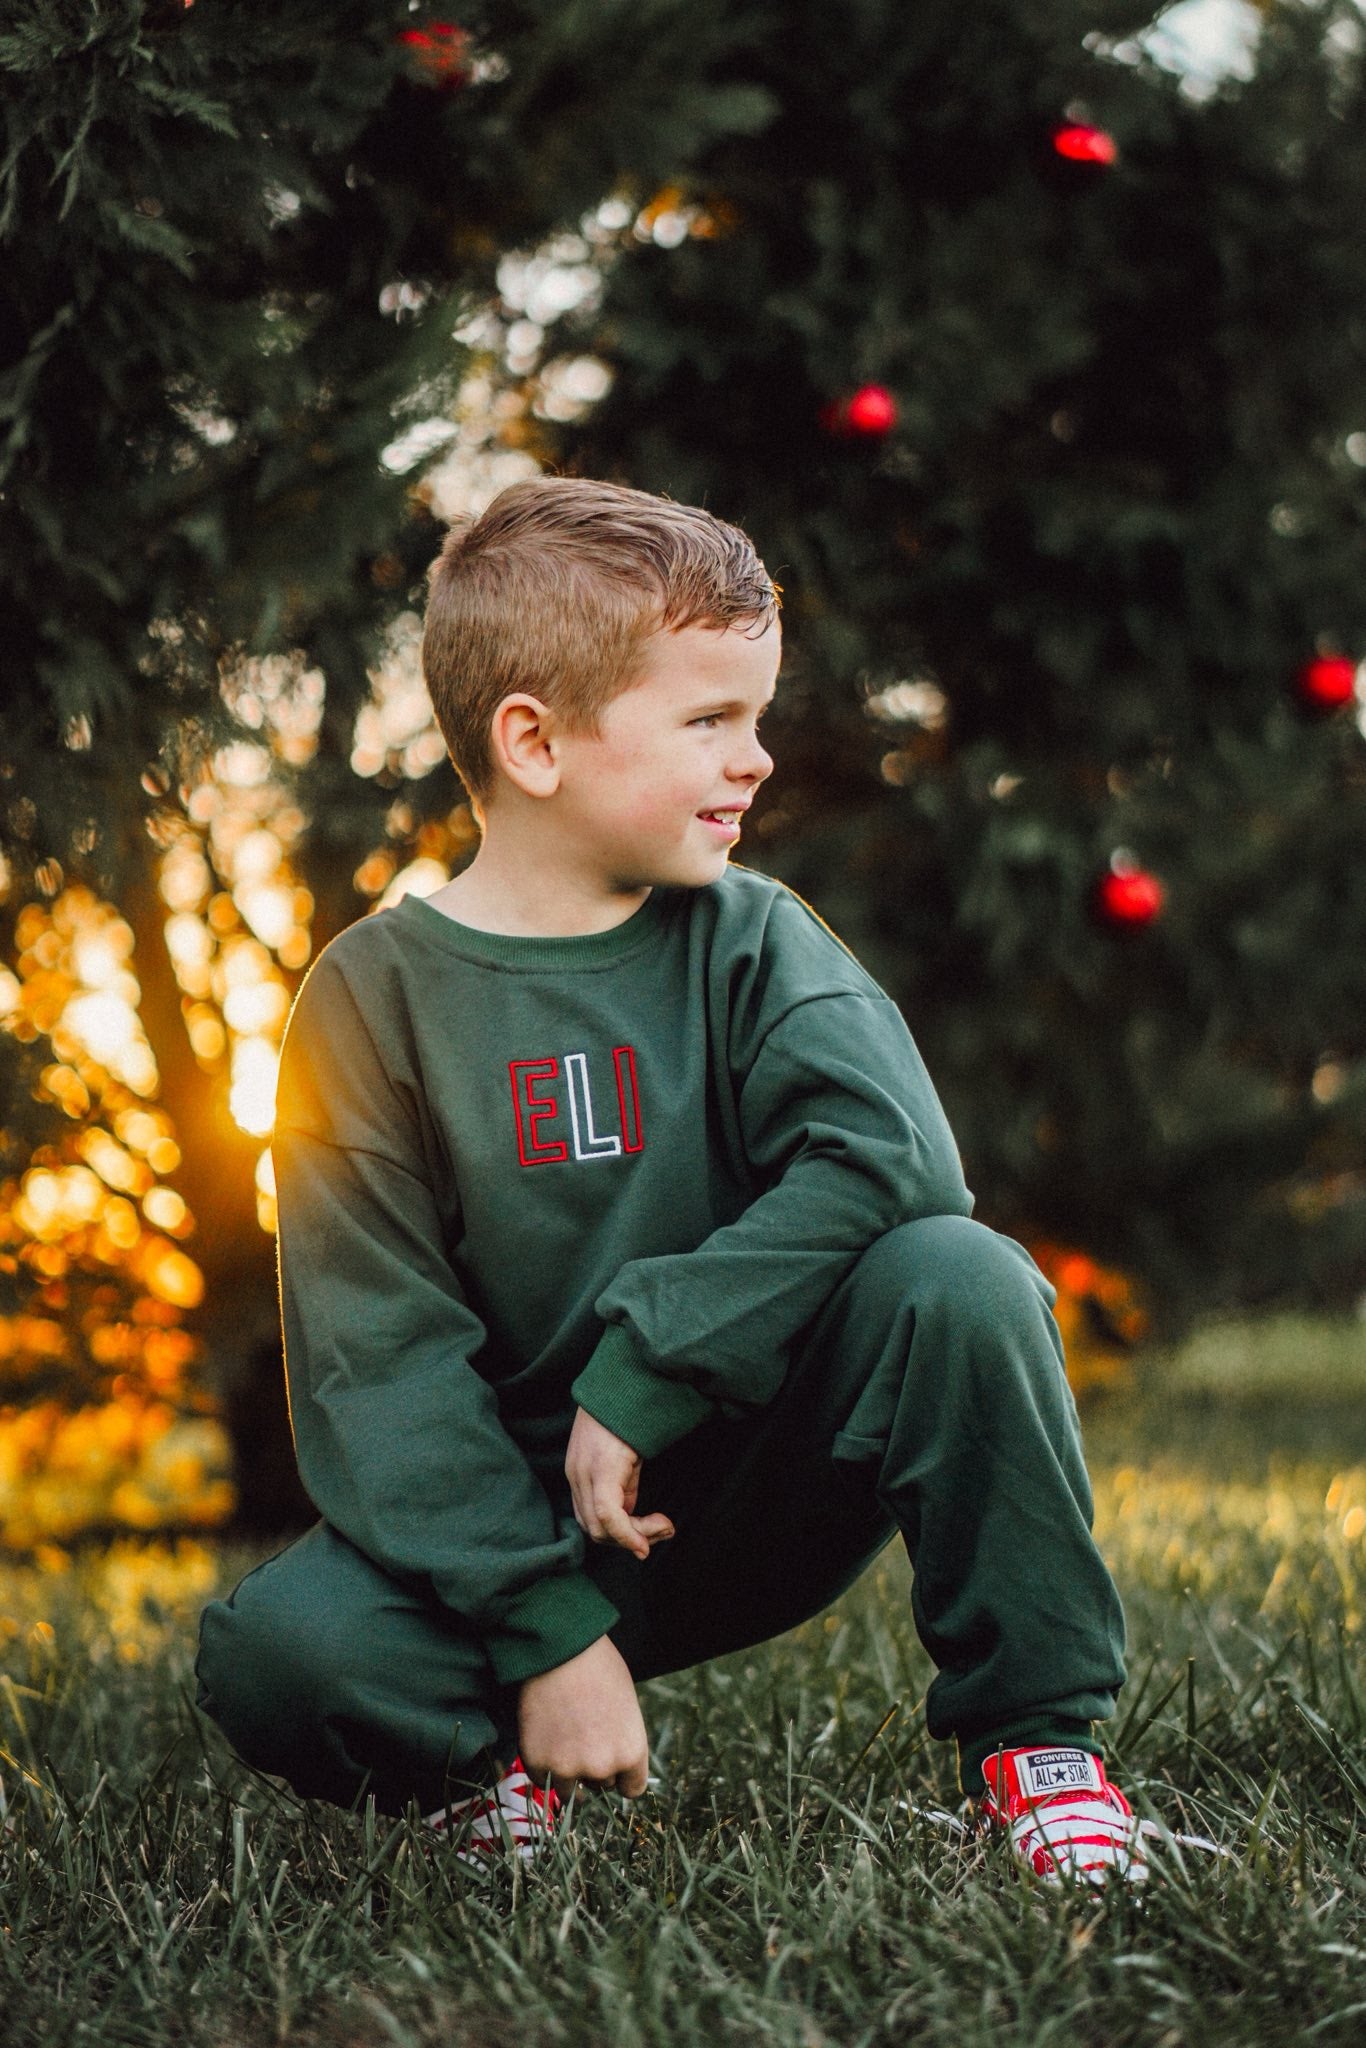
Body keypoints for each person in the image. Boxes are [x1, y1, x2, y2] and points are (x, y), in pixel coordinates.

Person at [196, 475, 1146, 1887]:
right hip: (499, 1534)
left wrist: (648, 1364)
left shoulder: (752, 937)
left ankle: (1036, 1754)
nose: (754, 759)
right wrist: (548, 1634)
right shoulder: (369, 999)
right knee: (275, 1653)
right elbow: (377, 1363)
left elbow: (892, 1157)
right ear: (533, 741)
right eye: (708, 720)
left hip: (741, 1482)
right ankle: (492, 1764)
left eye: (753, 717)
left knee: (959, 1275)